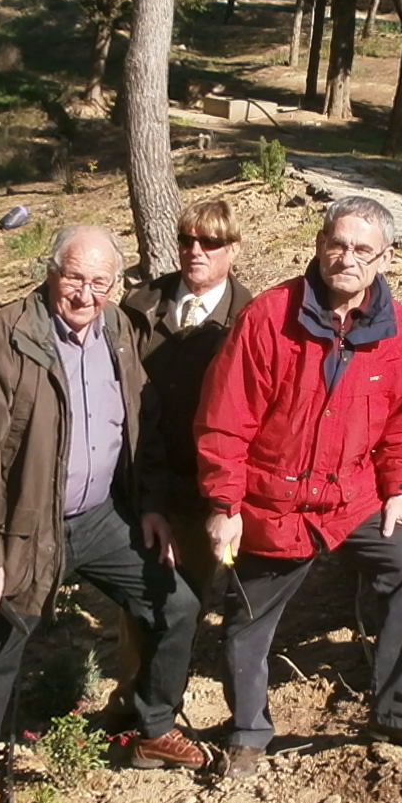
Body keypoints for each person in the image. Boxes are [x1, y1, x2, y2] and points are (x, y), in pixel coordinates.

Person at [0, 227, 205, 803]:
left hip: (100, 516)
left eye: (100, 282)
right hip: (24, 524)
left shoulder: (117, 330)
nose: (86, 294)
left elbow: (142, 422)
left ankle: (153, 727)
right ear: (51, 272)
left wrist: (151, 506)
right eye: (75, 278)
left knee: (176, 604)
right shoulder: (5, 338)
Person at [194, 197, 402, 779]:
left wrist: (400, 491)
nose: (346, 258)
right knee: (247, 618)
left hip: (353, 497)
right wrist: (225, 504)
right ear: (318, 243)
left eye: (362, 249)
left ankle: (400, 712)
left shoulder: (400, 332)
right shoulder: (268, 317)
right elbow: (224, 420)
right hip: (273, 500)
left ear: (385, 258)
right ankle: (248, 731)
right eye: (337, 244)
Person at [112, 200, 254, 719]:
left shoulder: (249, 319)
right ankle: (129, 703)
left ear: (232, 249)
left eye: (210, 242)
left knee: (185, 598)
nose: (196, 251)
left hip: (203, 486)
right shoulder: (140, 305)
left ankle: (162, 707)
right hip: (136, 475)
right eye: (187, 240)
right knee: (136, 595)